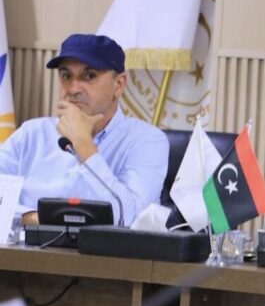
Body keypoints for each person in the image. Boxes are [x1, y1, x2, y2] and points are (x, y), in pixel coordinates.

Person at [0, 33, 169, 227]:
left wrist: (83, 145)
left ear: (119, 84)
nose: (73, 89)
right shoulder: (32, 134)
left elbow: (131, 219)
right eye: (66, 76)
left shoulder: (147, 140)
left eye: (89, 76)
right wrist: (31, 218)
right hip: (24, 244)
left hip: (100, 248)